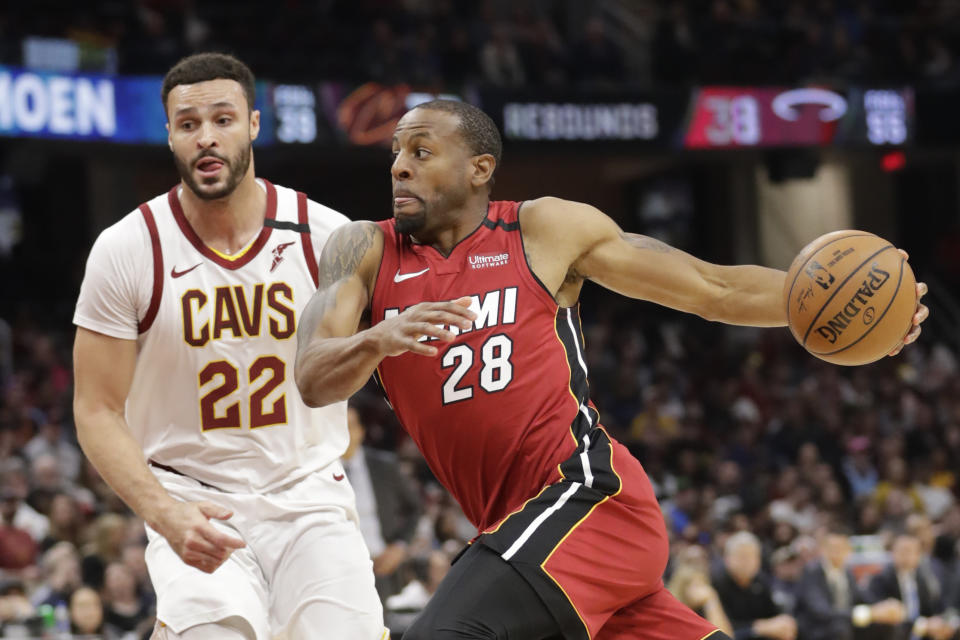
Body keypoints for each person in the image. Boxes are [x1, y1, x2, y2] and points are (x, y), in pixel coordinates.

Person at [293, 99, 928, 640]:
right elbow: (314, 377)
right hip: (528, 532)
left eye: (422, 151)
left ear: (479, 168)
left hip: (586, 494)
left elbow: (712, 288)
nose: (400, 164)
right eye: (397, 152)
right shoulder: (365, 249)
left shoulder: (541, 230)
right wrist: (376, 339)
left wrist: (834, 306)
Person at [72, 52, 384, 640]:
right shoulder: (127, 249)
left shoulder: (327, 235)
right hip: (192, 495)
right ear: (169, 136)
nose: (207, 138)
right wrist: (163, 514)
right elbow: (95, 410)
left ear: (254, 125)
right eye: (189, 125)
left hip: (308, 489)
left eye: (223, 119)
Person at [342, 404, 423, 600]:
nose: (344, 433)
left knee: (381, 628)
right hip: (337, 569)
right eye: (338, 427)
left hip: (379, 566)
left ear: (361, 431)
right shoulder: (318, 471)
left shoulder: (384, 467)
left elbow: (416, 508)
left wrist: (400, 545)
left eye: (350, 426)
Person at [793, 526, 905, 640]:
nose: (837, 552)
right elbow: (821, 612)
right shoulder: (811, 572)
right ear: (823, 550)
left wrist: (883, 607)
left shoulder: (847, 572)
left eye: (841, 548)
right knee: (840, 627)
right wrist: (867, 613)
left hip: (845, 623)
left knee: (886, 624)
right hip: (817, 628)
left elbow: (862, 598)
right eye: (833, 548)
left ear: (848, 551)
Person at [712, 532, 798, 640]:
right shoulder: (717, 584)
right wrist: (758, 627)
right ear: (727, 558)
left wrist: (784, 622)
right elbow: (723, 630)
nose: (748, 562)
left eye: (753, 556)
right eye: (742, 556)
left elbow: (774, 614)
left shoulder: (760, 581)